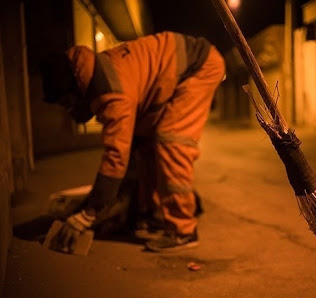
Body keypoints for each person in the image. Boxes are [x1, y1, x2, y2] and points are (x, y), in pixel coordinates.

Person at [40, 31, 225, 252]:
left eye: (67, 102)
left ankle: (183, 230)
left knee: (171, 141)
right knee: (144, 145)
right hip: (174, 77)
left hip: (199, 67)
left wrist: (88, 214)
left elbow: (116, 158)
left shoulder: (111, 94)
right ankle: (153, 215)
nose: (70, 109)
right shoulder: (96, 72)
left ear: (75, 89)